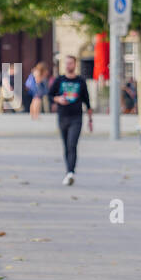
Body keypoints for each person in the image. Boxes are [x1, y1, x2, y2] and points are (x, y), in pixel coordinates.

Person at [48, 55, 93, 185]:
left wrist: (90, 120)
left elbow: (87, 101)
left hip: (76, 117)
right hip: (62, 117)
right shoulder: (59, 80)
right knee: (66, 146)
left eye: (71, 63)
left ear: (75, 65)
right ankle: (68, 171)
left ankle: (70, 172)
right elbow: (50, 95)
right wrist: (58, 99)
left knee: (72, 144)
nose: (69, 66)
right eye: (67, 63)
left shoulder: (80, 81)